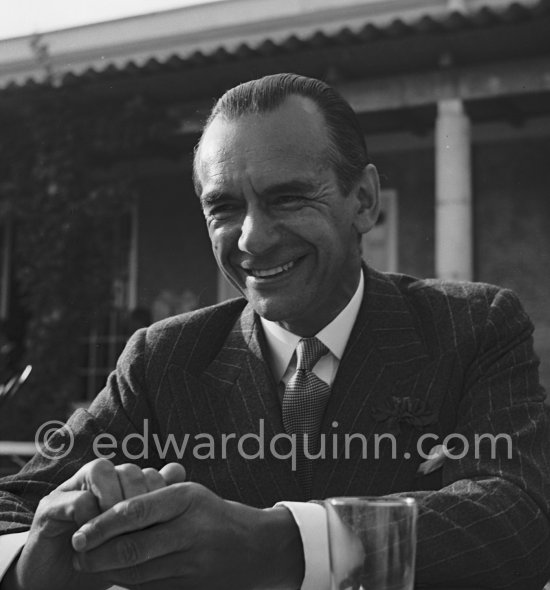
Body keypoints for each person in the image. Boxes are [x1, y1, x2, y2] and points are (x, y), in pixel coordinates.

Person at [1, 73, 550, 590]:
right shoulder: (161, 358)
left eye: (287, 198)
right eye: (224, 208)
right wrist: (32, 561)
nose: (253, 239)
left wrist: (280, 542)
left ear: (363, 201)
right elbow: (13, 505)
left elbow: (518, 517)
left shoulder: (474, 326)